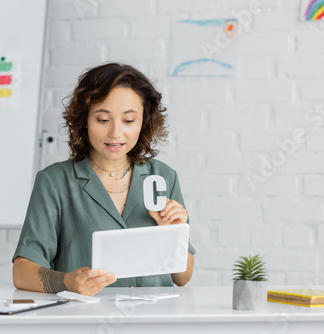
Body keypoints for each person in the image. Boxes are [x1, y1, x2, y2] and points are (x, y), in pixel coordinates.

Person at [12, 63, 195, 296]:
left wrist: (174, 234)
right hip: (84, 320)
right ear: (84, 120)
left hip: (154, 319)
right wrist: (67, 281)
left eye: (128, 121)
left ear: (143, 121)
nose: (116, 133)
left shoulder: (163, 177)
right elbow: (22, 272)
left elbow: (183, 278)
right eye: (102, 120)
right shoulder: (54, 181)